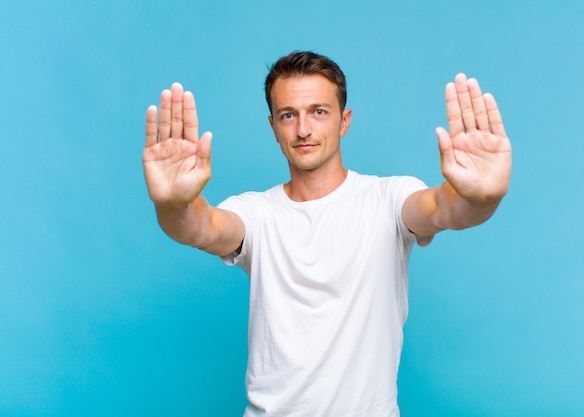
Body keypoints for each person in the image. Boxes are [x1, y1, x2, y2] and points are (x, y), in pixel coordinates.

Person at [142, 51, 512, 417]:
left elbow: (446, 209)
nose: (303, 129)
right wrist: (173, 205)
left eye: (319, 111)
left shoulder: (388, 198)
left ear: (344, 121)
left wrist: (480, 196)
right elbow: (201, 227)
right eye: (289, 115)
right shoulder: (255, 212)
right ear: (273, 126)